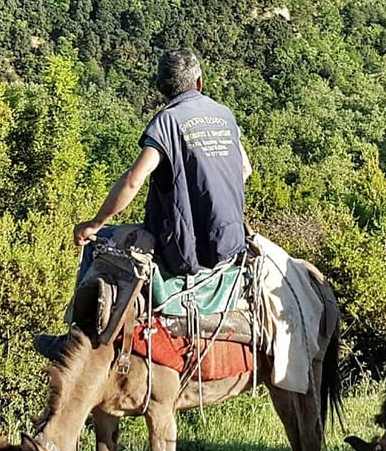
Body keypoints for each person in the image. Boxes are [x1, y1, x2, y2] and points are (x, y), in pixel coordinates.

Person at [74, 48, 252, 278]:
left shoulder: (167, 122)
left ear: (160, 88)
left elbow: (133, 181)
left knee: (94, 245)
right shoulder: (225, 115)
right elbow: (245, 169)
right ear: (199, 83)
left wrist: (95, 224)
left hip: (185, 251)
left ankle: (77, 316)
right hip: (231, 242)